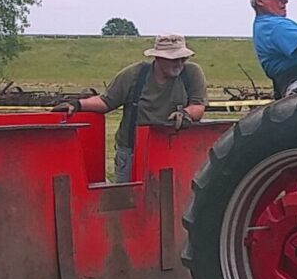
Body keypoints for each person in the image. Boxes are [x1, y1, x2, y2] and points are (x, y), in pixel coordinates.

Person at [53, 33, 207, 182]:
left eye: (182, 59)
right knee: (127, 200)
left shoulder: (191, 73)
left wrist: (185, 114)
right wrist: (77, 105)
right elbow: (106, 101)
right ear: (158, 58)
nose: (179, 64)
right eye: (174, 59)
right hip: (131, 151)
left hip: (174, 149)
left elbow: (198, 106)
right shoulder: (135, 74)